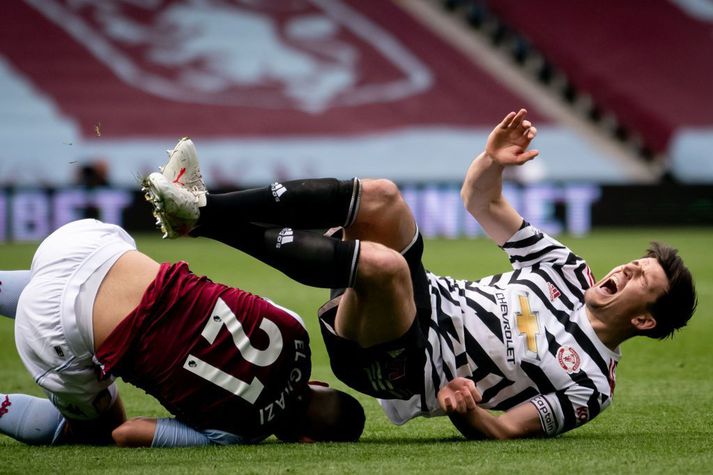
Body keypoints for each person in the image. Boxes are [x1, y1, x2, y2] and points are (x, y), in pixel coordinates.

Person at [141, 108, 697, 440]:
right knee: (382, 197)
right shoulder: (567, 269)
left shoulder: (591, 385)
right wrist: (492, 162)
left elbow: (508, 428)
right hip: (423, 300)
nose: (625, 268)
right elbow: (481, 202)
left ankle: (204, 219)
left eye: (640, 277)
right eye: (635, 262)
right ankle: (202, 209)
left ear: (645, 318)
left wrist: (469, 409)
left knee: (382, 267)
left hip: (405, 366)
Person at [0, 149, 365, 447]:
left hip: (89, 246)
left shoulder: (294, 330)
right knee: (95, 432)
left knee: (81, 281)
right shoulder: (237, 433)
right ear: (305, 440)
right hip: (56, 327)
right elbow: (126, 433)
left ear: (319, 385)